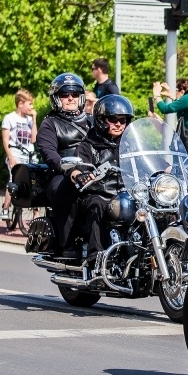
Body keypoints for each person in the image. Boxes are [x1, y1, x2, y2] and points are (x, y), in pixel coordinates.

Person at [69, 95, 134, 267]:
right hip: (100, 194)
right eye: (113, 119)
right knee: (97, 205)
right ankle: (95, 258)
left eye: (123, 120)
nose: (119, 124)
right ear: (101, 120)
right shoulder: (89, 144)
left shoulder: (130, 144)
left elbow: (147, 162)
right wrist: (80, 174)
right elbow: (77, 167)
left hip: (127, 195)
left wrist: (168, 169)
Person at [36, 73, 90, 258]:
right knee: (67, 189)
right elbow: (49, 153)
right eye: (65, 94)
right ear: (56, 98)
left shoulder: (93, 121)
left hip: (93, 173)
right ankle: (67, 244)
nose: (70, 98)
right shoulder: (50, 124)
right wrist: (70, 170)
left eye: (75, 94)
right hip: (63, 174)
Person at [0, 89, 38, 221]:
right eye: (29, 104)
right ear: (20, 104)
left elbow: (33, 139)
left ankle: (36, 215)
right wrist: (10, 156)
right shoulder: (9, 118)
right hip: (15, 153)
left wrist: (34, 120)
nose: (31, 107)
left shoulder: (29, 120)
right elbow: (5, 140)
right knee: (13, 180)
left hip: (29, 154)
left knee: (34, 183)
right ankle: (5, 208)